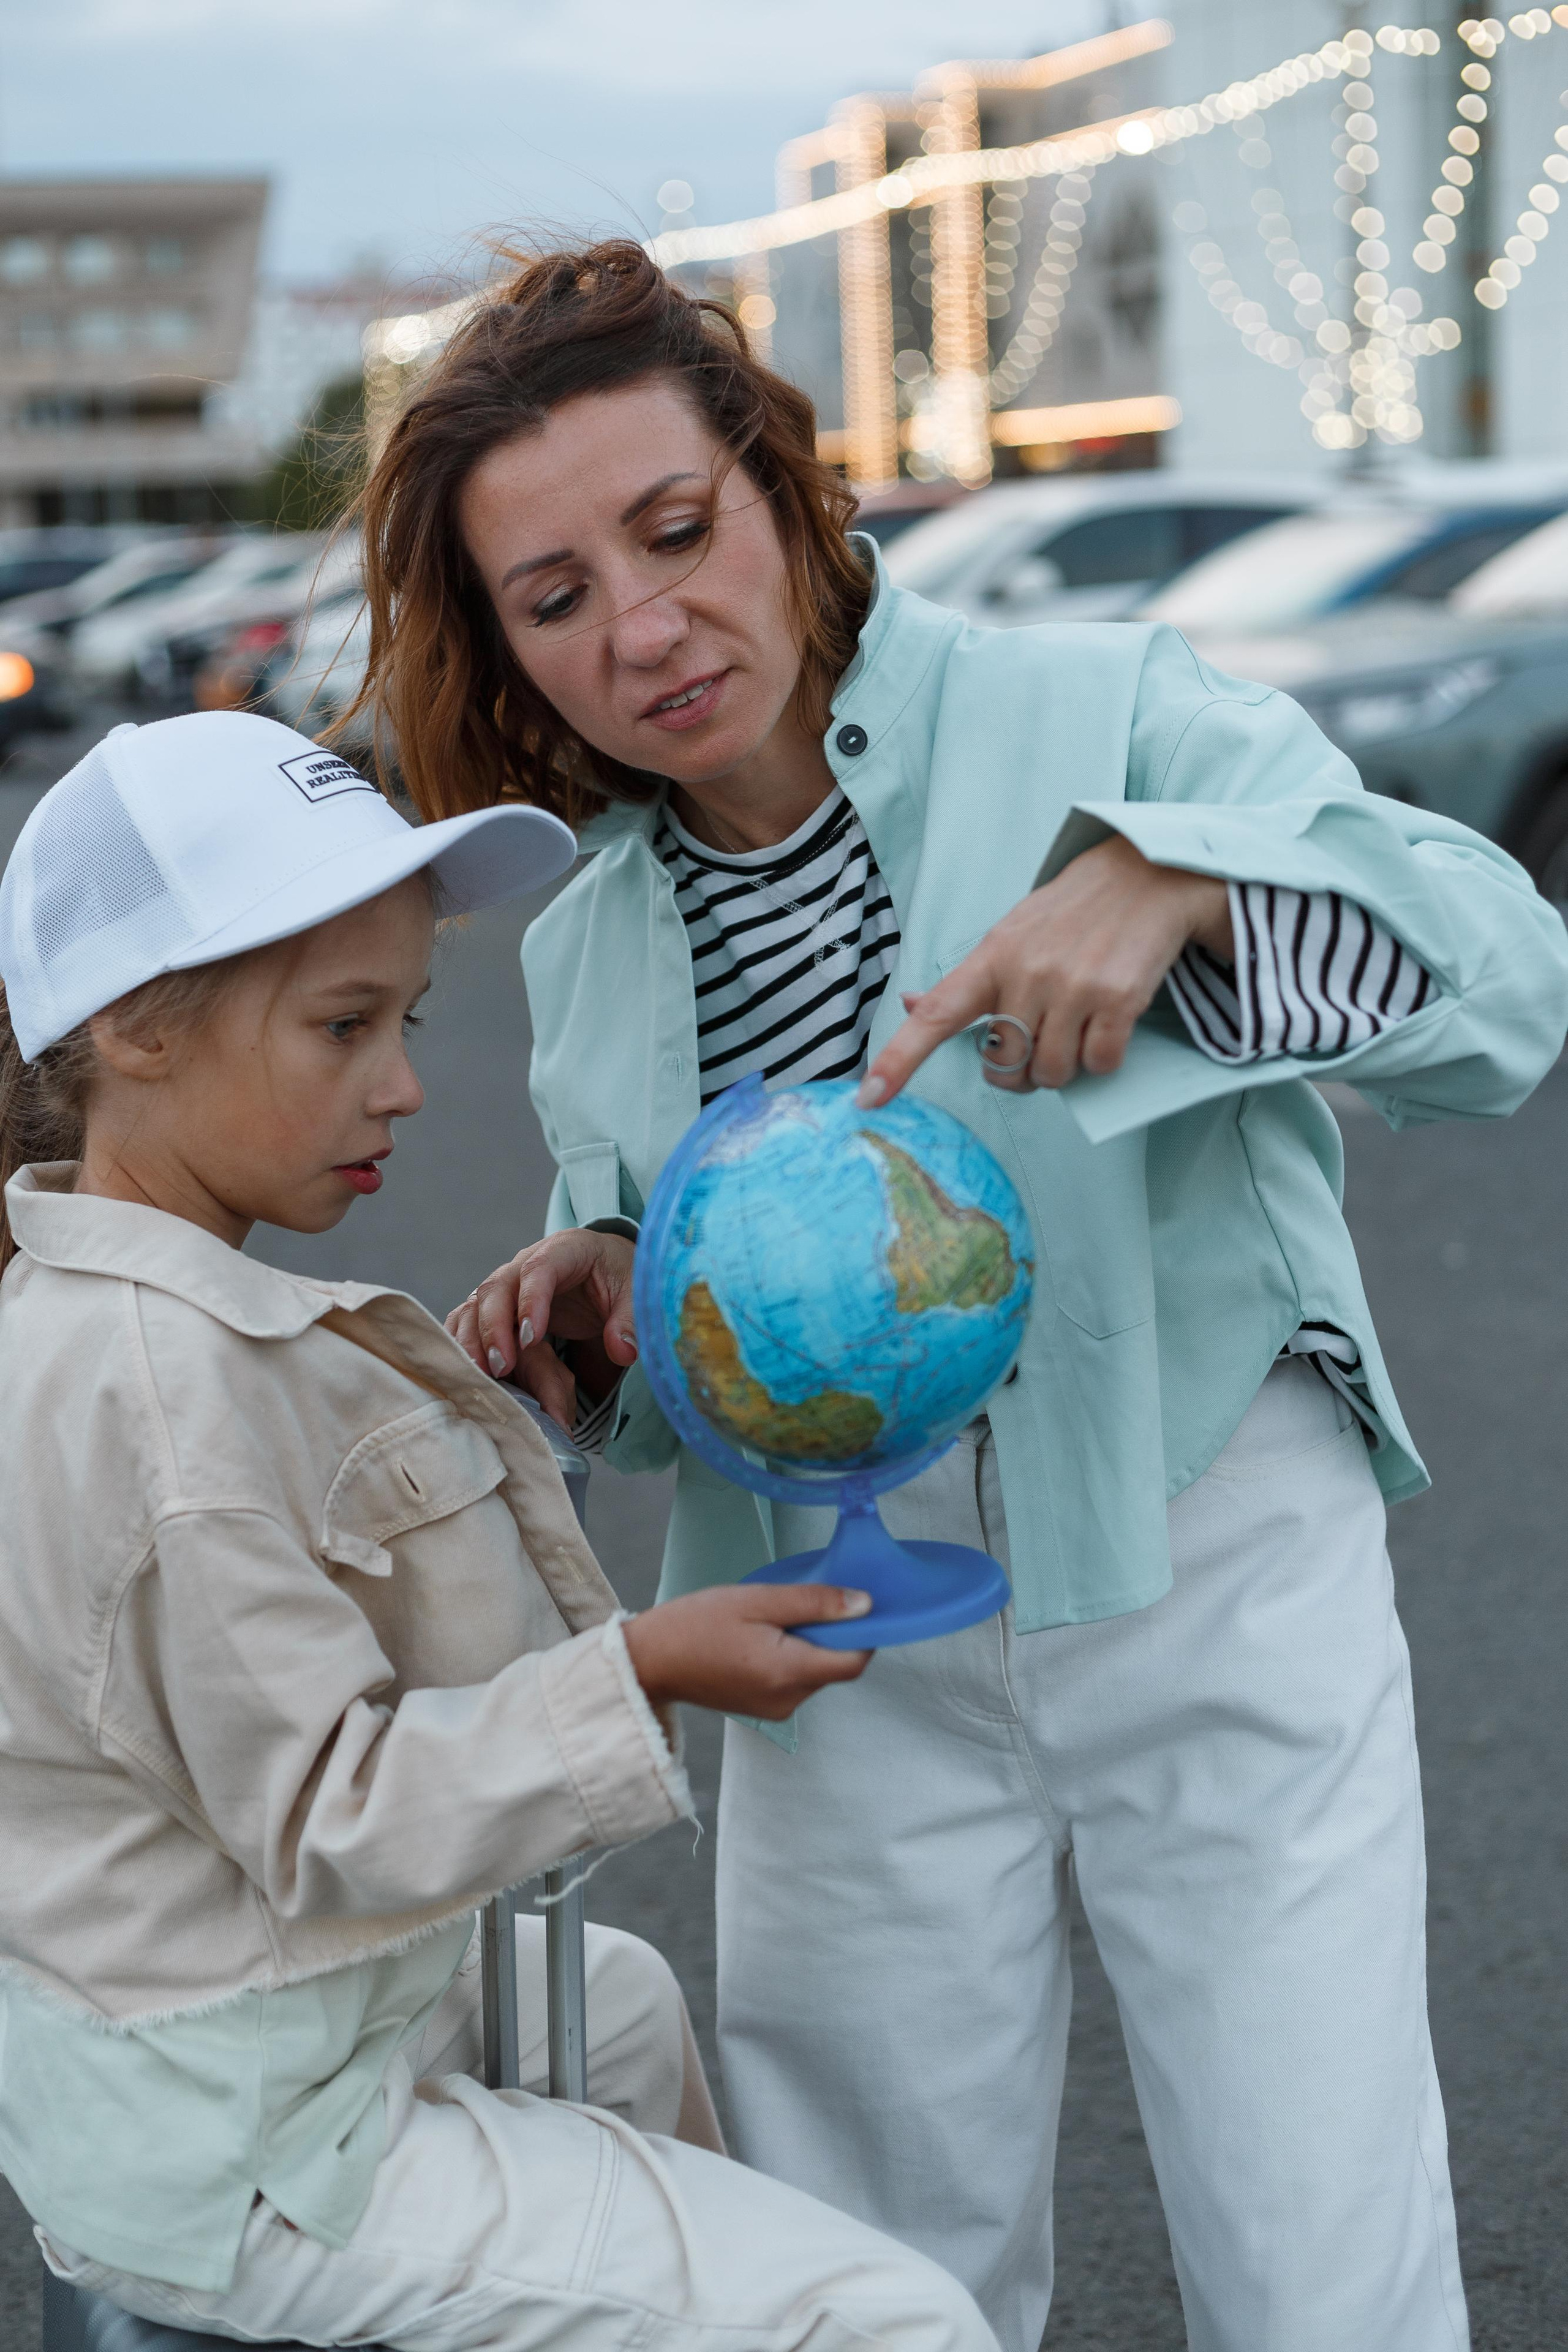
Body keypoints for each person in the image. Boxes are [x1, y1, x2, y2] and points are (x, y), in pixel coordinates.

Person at [349, 241, 1568, 2352]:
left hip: (1204, 1530)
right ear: (506, 648)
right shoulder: (587, 943)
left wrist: (1189, 884)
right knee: (868, 2275)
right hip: (833, 1627)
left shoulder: (1110, 714)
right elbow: (679, 1306)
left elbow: (1507, 991)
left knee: (1320, 2247)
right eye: (554, 598)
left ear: (781, 488)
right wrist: (602, 1288)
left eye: (676, 529)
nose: (643, 628)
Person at [0, 708, 998, 2352]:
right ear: (134, 1028)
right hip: (252, 2141)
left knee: (623, 2003)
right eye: (342, 1027)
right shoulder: (166, 1398)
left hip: (220, 2028)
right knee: (890, 2317)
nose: (401, 1083)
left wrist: (495, 1432)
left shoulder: (114, 1318)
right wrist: (648, 1673)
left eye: (403, 1020)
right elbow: (332, 1814)